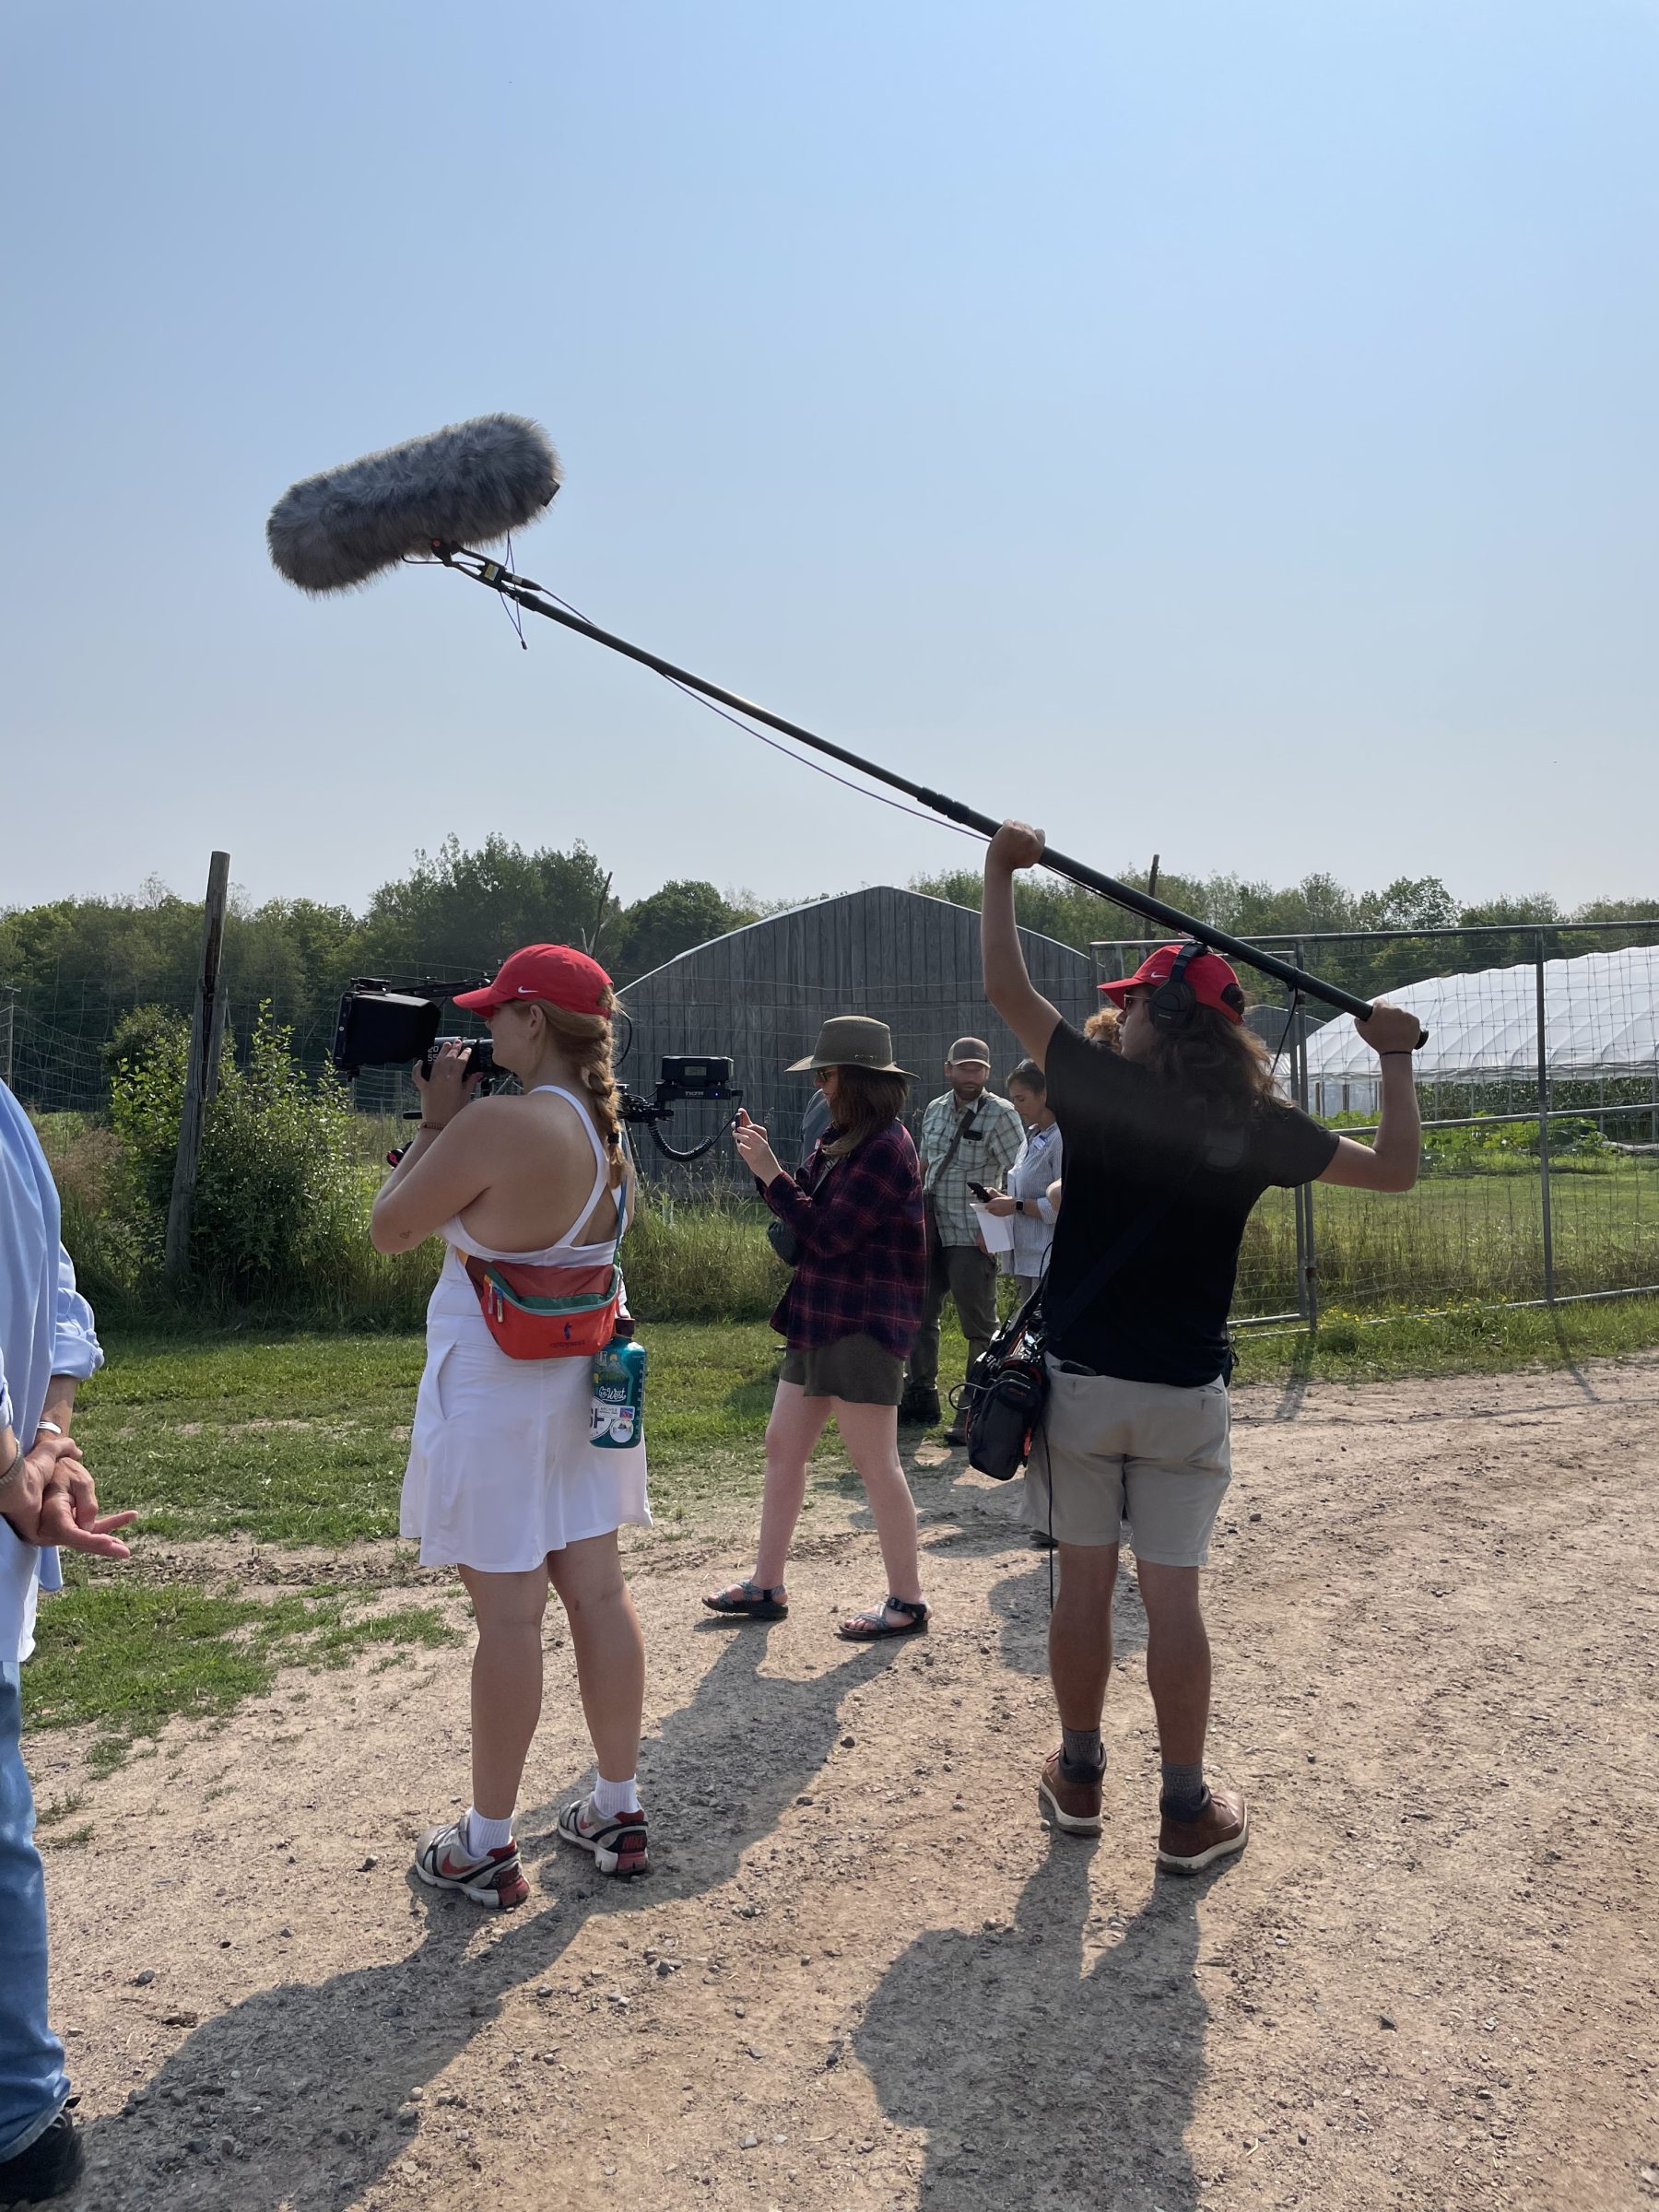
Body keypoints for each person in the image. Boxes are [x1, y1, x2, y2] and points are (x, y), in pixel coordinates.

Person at [982, 822, 1423, 1875]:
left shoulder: (1094, 1086)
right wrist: (1396, 1062)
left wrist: (1001, 871)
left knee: (1082, 1592)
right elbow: (1400, 1170)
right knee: (1173, 1599)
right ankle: (1186, 1809)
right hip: (1186, 1395)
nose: (1119, 1010)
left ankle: (1080, 1778)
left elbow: (1008, 989)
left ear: (1164, 1017)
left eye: (1134, 1000)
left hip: (1082, 1393)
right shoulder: (1261, 1125)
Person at [371, 945, 652, 1901]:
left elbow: (391, 1226)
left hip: (496, 1393)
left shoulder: (496, 1123)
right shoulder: (608, 1132)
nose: (485, 1030)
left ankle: (487, 1841)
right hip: (579, 1389)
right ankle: (617, 1806)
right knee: (600, 1600)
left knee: (509, 1620)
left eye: (498, 1013)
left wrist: (435, 1122)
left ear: (534, 1021)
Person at [1, 1080, 135, 2206]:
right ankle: (22, 2114)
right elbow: (56, 1294)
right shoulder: (10, 1117)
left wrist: (26, 1462)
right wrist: (48, 1439)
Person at [704, 1016, 931, 1640]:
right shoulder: (842, 1138)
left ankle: (907, 1602)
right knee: (783, 1446)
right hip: (819, 1314)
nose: (821, 1085)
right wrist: (765, 1168)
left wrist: (773, 1172)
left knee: (875, 1463)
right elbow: (802, 1213)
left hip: (862, 1322)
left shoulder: (888, 1146)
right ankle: (766, 1584)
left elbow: (829, 1235)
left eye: (827, 1074)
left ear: (855, 1079)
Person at [900, 1037, 1023, 1445]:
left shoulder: (1002, 1114)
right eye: (964, 1067)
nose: (971, 1075)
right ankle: (921, 1395)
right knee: (919, 1315)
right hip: (930, 1227)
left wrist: (996, 1230)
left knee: (979, 1327)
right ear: (948, 1069)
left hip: (972, 1234)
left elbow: (1016, 1173)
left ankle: (973, 1408)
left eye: (978, 1069)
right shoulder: (934, 1110)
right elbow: (925, 1163)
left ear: (987, 1073)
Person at [982, 1058, 1063, 1303]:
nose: (1015, 1107)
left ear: (1045, 1095)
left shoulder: (1061, 1139)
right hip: (1025, 1257)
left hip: (1048, 1257)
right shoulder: (1032, 1136)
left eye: (1021, 1099)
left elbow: (1063, 1205)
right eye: (1014, 1099)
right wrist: (1004, 1199)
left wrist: (1015, 1205)